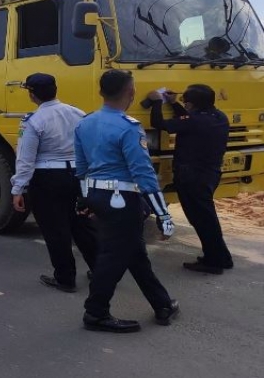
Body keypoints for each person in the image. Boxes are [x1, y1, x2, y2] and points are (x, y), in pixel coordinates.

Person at [74, 70, 179, 333]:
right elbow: (143, 173)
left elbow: (81, 167)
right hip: (122, 199)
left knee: (134, 252)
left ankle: (162, 303)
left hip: (98, 196)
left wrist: (86, 198)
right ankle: (95, 313)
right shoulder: (128, 126)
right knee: (113, 257)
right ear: (131, 94)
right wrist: (163, 215)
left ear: (101, 92)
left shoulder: (84, 123)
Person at [10, 73, 97, 292]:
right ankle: (100, 270)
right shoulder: (77, 113)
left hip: (47, 180)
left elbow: (26, 158)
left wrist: (18, 188)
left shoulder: (33, 121)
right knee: (83, 226)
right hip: (77, 176)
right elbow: (90, 147)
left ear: (31, 94)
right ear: (55, 89)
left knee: (55, 230)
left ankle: (65, 279)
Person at [145, 84, 233, 274]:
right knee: (207, 218)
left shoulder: (194, 120)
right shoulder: (219, 117)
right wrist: (176, 105)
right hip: (210, 174)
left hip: (192, 177)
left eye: (186, 102)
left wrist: (157, 102)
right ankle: (221, 257)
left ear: (192, 104)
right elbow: (186, 119)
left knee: (201, 219)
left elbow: (159, 124)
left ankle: (214, 262)